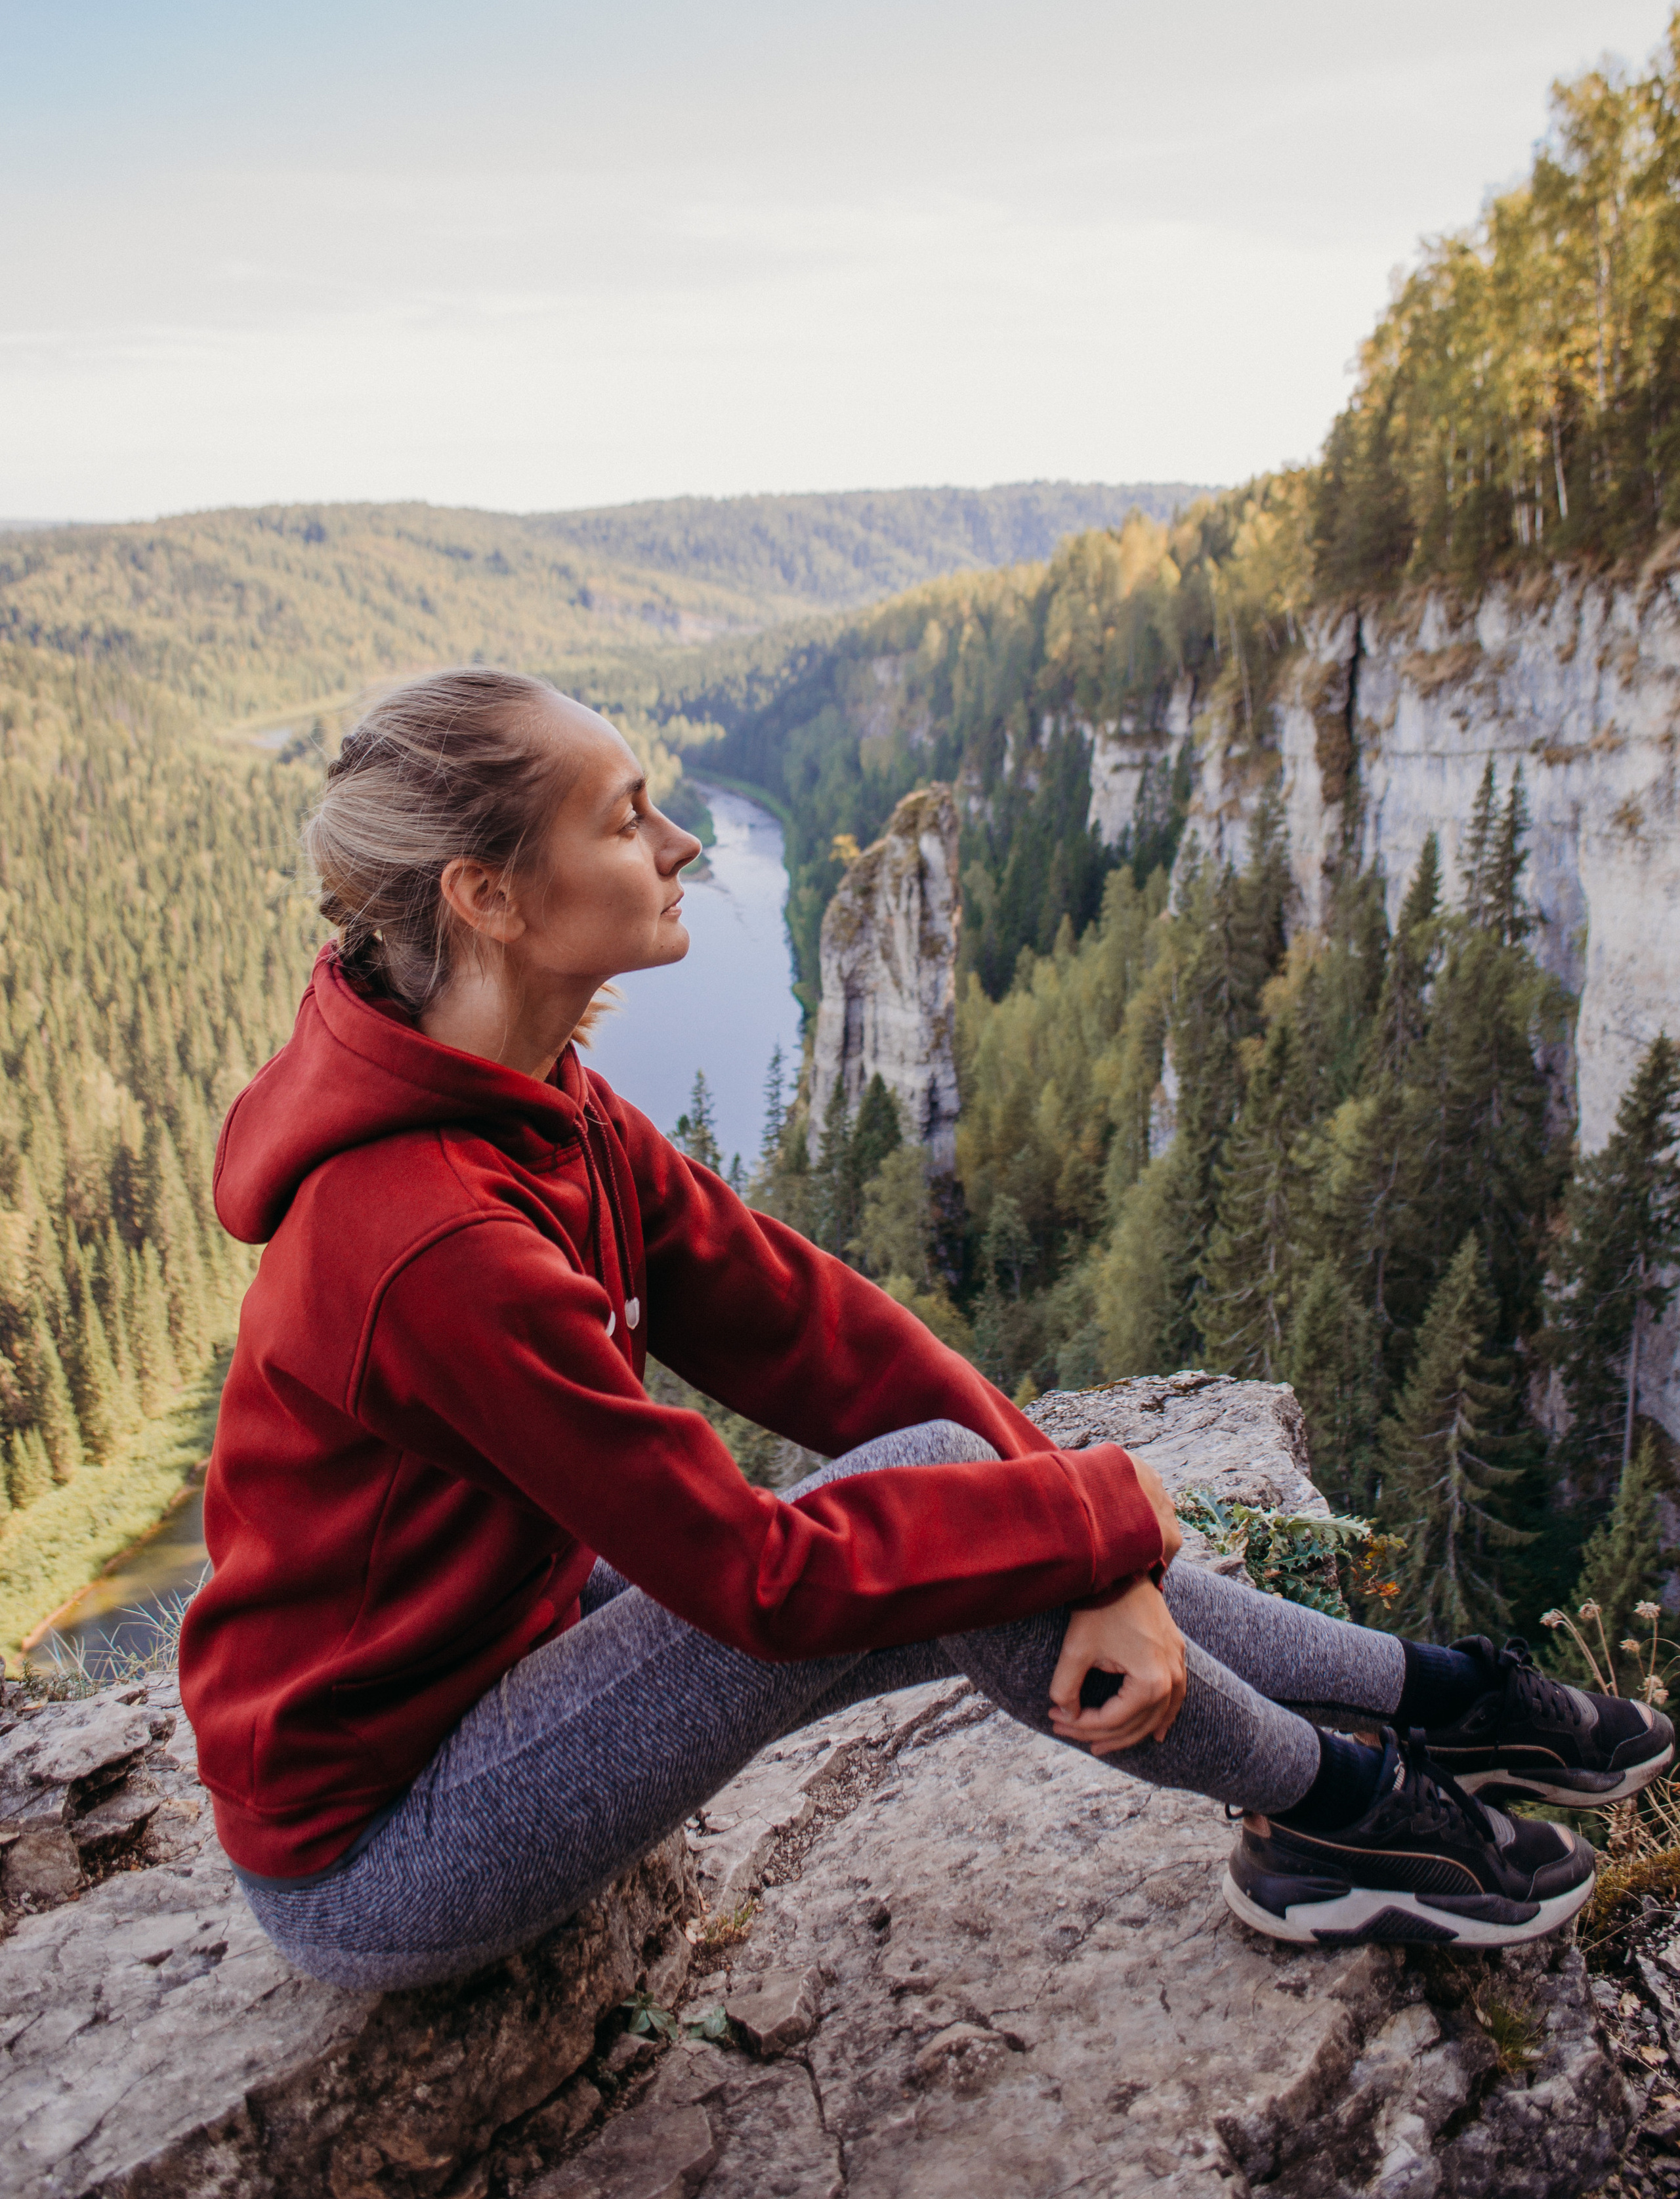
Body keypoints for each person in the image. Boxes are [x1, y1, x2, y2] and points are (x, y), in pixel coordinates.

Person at [178, 668, 1671, 1991]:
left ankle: (1430, 1702)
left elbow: (809, 1329)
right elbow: (751, 1580)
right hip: (378, 1847)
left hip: (490, 1658)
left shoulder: (534, 1096)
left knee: (950, 1489)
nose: (679, 841)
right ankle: (1337, 1807)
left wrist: (1082, 1535)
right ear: (486, 895)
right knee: (924, 1531)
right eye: (626, 818)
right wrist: (1071, 1518)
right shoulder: (428, 1239)